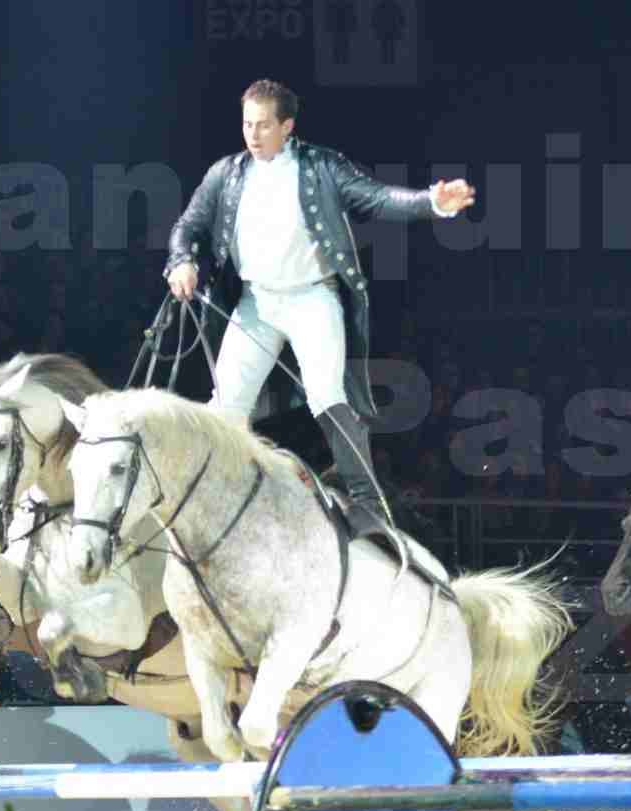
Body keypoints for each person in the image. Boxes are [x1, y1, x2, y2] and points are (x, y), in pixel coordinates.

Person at [165, 78, 475, 536]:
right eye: (247, 124)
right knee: (226, 406)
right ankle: (220, 495)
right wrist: (182, 260)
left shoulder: (321, 167)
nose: (252, 134)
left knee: (327, 396)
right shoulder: (226, 173)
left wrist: (431, 202)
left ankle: (369, 505)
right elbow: (188, 223)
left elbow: (376, 198)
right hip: (256, 303)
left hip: (312, 298)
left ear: (287, 126)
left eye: (263, 125)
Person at [0, 596, 55, 705]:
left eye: (1, 617)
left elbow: (46, 695)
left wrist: (49, 672)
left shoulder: (24, 660)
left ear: (10, 624)